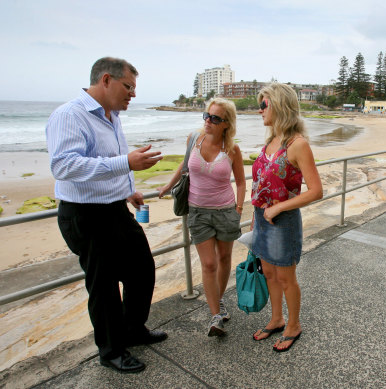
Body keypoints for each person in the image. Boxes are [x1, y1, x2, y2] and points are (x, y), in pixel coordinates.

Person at [46, 57, 167, 374]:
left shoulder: (112, 116)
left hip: (115, 208)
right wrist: (126, 164)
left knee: (142, 269)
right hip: (85, 215)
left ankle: (131, 330)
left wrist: (128, 189)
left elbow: (109, 159)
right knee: (104, 286)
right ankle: (111, 350)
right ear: (106, 80)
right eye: (128, 87)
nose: (133, 95)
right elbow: (64, 166)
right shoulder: (70, 115)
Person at [158, 98, 245, 337]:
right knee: (208, 264)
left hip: (226, 211)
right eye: (207, 115)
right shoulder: (193, 139)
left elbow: (240, 181)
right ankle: (215, 315)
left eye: (215, 118)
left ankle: (219, 300)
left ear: (226, 124)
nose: (208, 121)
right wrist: (167, 186)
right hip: (197, 212)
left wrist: (238, 209)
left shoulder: (232, 149)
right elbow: (183, 167)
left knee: (225, 258)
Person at [250, 83, 323, 352]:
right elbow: (259, 183)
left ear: (279, 105)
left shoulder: (297, 144)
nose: (259, 110)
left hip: (283, 222)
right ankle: (276, 318)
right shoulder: (270, 141)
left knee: (286, 277)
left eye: (263, 104)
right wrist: (255, 217)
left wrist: (279, 208)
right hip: (262, 217)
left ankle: (293, 325)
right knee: (268, 272)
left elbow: (316, 191)